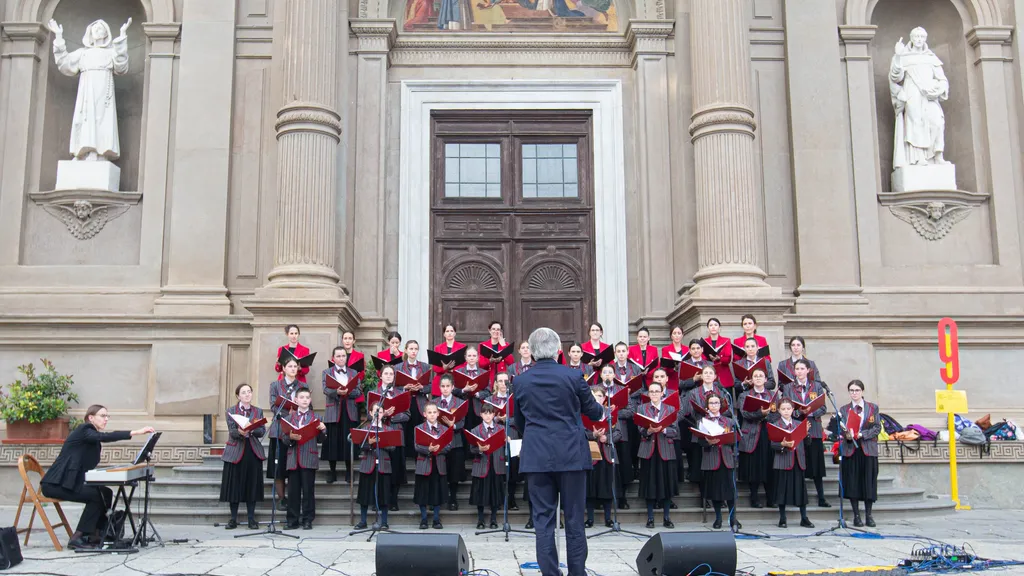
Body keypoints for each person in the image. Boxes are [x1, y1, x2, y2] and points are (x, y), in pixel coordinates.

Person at [513, 327, 604, 576]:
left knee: (543, 521)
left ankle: (550, 573)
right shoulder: (574, 377)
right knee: (575, 519)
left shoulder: (520, 380)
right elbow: (594, 413)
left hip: (537, 456)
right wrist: (602, 409)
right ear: (559, 351)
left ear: (531, 352)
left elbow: (519, 423)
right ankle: (577, 573)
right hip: (572, 454)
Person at [40, 405, 155, 549]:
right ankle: (78, 537)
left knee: (105, 492)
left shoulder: (91, 438)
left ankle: (97, 534)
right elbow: (105, 437)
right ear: (91, 418)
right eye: (102, 416)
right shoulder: (84, 430)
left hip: (69, 483)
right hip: (55, 484)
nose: (106, 419)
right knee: (96, 496)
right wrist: (136, 432)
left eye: (107, 416)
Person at [784, 359, 830, 508]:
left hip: (814, 428)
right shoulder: (788, 387)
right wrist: (798, 412)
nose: (799, 371)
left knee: (816, 464)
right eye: (797, 369)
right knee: (799, 463)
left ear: (808, 370)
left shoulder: (816, 386)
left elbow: (823, 408)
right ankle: (799, 496)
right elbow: (784, 407)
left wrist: (810, 413)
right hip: (797, 427)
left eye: (802, 368)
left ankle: (821, 496)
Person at [220, 383, 266, 530]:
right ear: (238, 396)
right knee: (234, 485)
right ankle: (233, 518)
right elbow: (231, 431)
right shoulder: (231, 411)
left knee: (251, 485)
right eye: (243, 392)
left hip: (252, 450)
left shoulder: (257, 411)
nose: (247, 395)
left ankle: (251, 518)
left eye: (249, 392)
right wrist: (240, 432)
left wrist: (251, 430)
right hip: (236, 450)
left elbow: (261, 431)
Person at [838, 379, 881, 527]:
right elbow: (841, 428)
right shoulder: (844, 409)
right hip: (851, 450)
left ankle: (869, 515)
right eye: (851, 390)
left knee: (869, 482)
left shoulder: (872, 408)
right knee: (853, 482)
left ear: (862, 391)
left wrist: (862, 434)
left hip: (867, 449)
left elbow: (877, 428)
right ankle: (856, 515)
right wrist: (847, 435)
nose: (854, 393)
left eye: (857, 390)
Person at [635, 380, 678, 529]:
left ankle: (667, 517)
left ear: (662, 393)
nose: (654, 394)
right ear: (648, 394)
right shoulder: (641, 408)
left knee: (666, 485)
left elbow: (675, 431)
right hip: (649, 450)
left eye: (656, 391)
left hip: (665, 449)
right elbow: (639, 429)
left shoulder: (670, 408)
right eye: (651, 391)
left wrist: (663, 430)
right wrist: (648, 431)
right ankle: (650, 517)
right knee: (649, 485)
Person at [282, 387, 326, 530]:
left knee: (308, 491)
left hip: (309, 457)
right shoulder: (289, 418)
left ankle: (307, 519)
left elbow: (321, 439)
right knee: (293, 491)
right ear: (296, 400)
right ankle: (292, 520)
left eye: (307, 397)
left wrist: (323, 430)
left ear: (310, 400)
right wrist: (290, 438)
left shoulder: (316, 418)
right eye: (302, 397)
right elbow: (283, 438)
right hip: (293, 457)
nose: (305, 400)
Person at [697, 394, 741, 530]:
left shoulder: (729, 421)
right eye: (711, 403)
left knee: (730, 491)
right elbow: (700, 441)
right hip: (712, 457)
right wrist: (708, 442)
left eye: (716, 403)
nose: (714, 406)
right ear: (707, 406)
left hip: (727, 457)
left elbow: (736, 439)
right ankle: (718, 518)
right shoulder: (703, 421)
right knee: (715, 491)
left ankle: (733, 518)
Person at [354, 403, 398, 530]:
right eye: (375, 411)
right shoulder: (365, 428)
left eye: (380, 412)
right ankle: (363, 521)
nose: (377, 414)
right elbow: (360, 446)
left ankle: (384, 521)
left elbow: (393, 447)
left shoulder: (388, 429)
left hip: (383, 464)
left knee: (384, 494)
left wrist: (380, 442)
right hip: (368, 464)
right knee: (364, 494)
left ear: (383, 414)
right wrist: (370, 443)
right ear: (371, 413)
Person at [772, 398, 814, 528]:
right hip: (783, 459)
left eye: (788, 409)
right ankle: (782, 518)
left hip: (797, 459)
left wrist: (806, 434)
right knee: (782, 490)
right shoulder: (776, 424)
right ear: (778, 410)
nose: (786, 411)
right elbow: (772, 444)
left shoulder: (798, 424)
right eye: (783, 409)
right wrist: (782, 444)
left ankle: (804, 517)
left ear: (793, 410)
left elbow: (808, 443)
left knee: (801, 490)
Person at [584, 386, 623, 528]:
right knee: (590, 488)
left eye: (599, 396)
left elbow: (619, 433)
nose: (597, 398)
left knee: (607, 486)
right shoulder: (585, 413)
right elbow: (580, 431)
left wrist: (607, 438)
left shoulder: (610, 413)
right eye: (593, 396)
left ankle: (608, 518)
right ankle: (590, 519)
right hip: (591, 453)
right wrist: (592, 435)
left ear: (604, 398)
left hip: (607, 452)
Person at [737, 368, 776, 509]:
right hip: (751, 432)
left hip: (768, 432)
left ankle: (771, 498)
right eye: (755, 376)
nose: (758, 378)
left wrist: (765, 415)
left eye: (761, 376)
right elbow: (744, 413)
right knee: (754, 466)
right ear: (751, 380)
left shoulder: (772, 395)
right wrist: (760, 413)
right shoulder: (744, 395)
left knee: (769, 464)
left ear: (766, 380)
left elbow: (777, 414)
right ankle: (754, 497)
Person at [321, 346, 361, 484]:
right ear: (333, 358)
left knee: (348, 441)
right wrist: (337, 392)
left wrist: (348, 392)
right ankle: (332, 472)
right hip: (334, 410)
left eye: (343, 356)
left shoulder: (353, 372)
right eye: (338, 356)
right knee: (332, 441)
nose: (341, 358)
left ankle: (349, 472)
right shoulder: (327, 372)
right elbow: (325, 389)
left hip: (349, 410)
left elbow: (359, 391)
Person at [267, 357, 303, 510]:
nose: (293, 369)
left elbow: (309, 404)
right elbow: (273, 406)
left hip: (296, 429)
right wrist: (288, 412)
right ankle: (282, 498)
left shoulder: (302, 385)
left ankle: (294, 496)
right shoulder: (275, 385)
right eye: (290, 366)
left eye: (295, 366)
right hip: (279, 429)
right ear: (283, 369)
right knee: (279, 466)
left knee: (293, 465)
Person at [598, 364, 634, 509]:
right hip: (601, 434)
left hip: (621, 433)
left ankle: (622, 497)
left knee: (622, 465)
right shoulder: (595, 390)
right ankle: (600, 498)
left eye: (610, 372)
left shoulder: (622, 390)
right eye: (604, 372)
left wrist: (614, 412)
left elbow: (631, 411)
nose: (607, 375)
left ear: (614, 375)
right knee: (602, 467)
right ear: (601, 375)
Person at [374, 365, 410, 511]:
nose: (389, 376)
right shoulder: (374, 393)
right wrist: (384, 415)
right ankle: (379, 499)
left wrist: (393, 415)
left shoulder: (400, 393)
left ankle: (393, 499)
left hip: (396, 432)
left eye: (391, 374)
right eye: (386, 374)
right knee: (379, 468)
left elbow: (407, 415)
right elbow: (371, 415)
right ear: (380, 376)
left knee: (396, 467)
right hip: (380, 433)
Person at [468, 403, 506, 529]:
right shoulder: (475, 430)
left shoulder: (501, 429)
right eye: (485, 413)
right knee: (480, 494)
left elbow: (505, 447)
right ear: (481, 415)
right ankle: (480, 519)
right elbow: (471, 449)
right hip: (482, 464)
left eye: (490, 413)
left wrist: (508, 442)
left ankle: (494, 519)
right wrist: (479, 449)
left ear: (494, 414)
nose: (488, 416)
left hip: (496, 464)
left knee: (495, 493)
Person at [414, 402, 450, 529]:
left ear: (438, 413)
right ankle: (423, 518)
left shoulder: (444, 429)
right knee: (422, 492)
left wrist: (437, 449)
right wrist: (428, 449)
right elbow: (417, 446)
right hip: (424, 463)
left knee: (437, 492)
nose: (432, 415)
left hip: (438, 464)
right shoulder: (419, 428)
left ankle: (436, 519)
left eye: (434, 412)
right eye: (429, 412)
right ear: (424, 414)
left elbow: (449, 446)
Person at [436, 373, 468, 510]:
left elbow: (462, 422)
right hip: (439, 440)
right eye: (442, 386)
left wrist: (452, 425)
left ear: (453, 387)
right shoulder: (434, 403)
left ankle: (453, 498)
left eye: (448, 386)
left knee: (454, 471)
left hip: (455, 440)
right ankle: (438, 498)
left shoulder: (459, 403)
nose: (445, 389)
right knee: (440, 470)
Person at [397, 339, 432, 451]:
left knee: (418, 428)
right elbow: (393, 387)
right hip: (404, 401)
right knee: (405, 427)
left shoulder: (425, 366)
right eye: (411, 349)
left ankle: (418, 453)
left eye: (416, 349)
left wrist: (422, 388)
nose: (413, 351)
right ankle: (406, 454)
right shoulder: (398, 367)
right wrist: (404, 388)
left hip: (419, 401)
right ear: (406, 350)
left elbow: (431, 386)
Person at [432, 323, 467, 396]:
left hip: (456, 382)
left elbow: (465, 365)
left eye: (451, 331)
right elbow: (435, 368)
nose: (449, 333)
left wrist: (453, 370)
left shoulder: (462, 347)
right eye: (447, 331)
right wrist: (444, 368)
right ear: (444, 334)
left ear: (455, 333)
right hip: (441, 381)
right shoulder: (438, 348)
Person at [703, 318, 734, 390]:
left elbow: (728, 359)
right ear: (708, 329)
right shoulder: (704, 341)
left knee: (726, 399)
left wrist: (719, 358)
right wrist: (709, 357)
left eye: (715, 325)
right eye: (711, 325)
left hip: (724, 375)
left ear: (719, 328)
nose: (713, 327)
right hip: (709, 374)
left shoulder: (726, 340)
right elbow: (702, 357)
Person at [479, 320, 512, 385]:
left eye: (498, 329)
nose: (496, 331)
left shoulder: (505, 344)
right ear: (489, 331)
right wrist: (490, 361)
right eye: (493, 329)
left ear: (500, 332)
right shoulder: (483, 345)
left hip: (502, 377)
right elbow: (481, 364)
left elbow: (511, 362)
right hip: (488, 377)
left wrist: (503, 346)